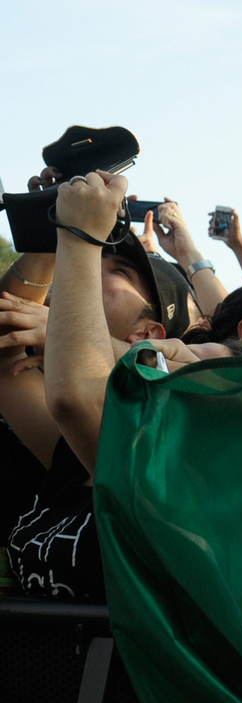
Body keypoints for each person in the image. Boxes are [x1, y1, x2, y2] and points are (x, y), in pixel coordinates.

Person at [0, 170, 192, 600]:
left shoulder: (173, 454)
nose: (87, 268)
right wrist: (52, 235)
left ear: (148, 336)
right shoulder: (67, 457)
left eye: (118, 268)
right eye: (94, 257)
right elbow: (3, 346)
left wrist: (80, 237)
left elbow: (78, 394)